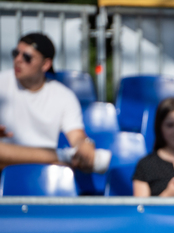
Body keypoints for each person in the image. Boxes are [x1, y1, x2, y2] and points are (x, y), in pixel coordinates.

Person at [0, 32, 109, 173]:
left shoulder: (64, 96)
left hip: (42, 173)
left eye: (27, 57)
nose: (18, 60)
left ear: (45, 64)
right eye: (16, 53)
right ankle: (60, 157)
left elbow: (77, 137)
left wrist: (84, 145)